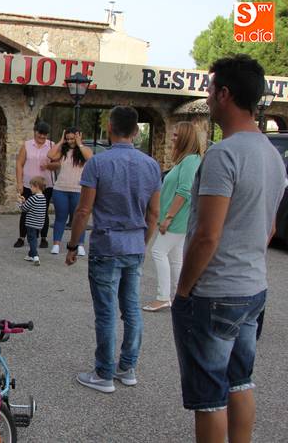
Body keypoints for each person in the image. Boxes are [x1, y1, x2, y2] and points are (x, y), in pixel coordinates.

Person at [172, 55, 286, 443]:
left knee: (209, 399)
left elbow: (208, 235)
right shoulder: (272, 154)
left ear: (224, 94)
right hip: (253, 288)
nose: (206, 98)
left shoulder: (224, 154)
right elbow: (270, 228)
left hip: (215, 293)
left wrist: (183, 290)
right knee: (240, 381)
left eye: (209, 89)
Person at [65, 106, 161, 393]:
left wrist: (73, 245)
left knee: (106, 313)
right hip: (134, 245)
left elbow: (83, 210)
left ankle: (104, 373)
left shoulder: (98, 163)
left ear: (109, 127)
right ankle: (127, 367)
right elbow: (154, 213)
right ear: (136, 131)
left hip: (107, 245)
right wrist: (142, 243)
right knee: (131, 309)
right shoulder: (151, 165)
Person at [143, 122, 202, 312]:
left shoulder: (190, 160)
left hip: (177, 218)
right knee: (176, 258)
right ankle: (180, 296)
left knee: (158, 252)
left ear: (185, 138)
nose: (172, 138)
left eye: (176, 135)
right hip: (178, 217)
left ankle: (163, 297)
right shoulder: (186, 160)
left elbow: (184, 191)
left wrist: (168, 217)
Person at [47, 127, 93, 256]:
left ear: (78, 137)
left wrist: (79, 143)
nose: (70, 141)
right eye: (68, 139)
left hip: (78, 190)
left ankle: (80, 244)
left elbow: (90, 158)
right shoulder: (63, 150)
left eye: (72, 138)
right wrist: (61, 141)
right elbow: (50, 155)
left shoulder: (85, 150)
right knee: (60, 217)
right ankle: (56, 244)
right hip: (60, 189)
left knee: (79, 219)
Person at [13, 122, 59, 249]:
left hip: (45, 185)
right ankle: (22, 237)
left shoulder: (52, 145)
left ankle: (43, 238)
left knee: (43, 211)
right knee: (25, 210)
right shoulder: (27, 145)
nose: (42, 137)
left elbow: (58, 164)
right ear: (35, 132)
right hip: (29, 185)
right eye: (40, 134)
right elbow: (19, 164)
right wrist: (19, 182)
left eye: (45, 135)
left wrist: (48, 166)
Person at [17, 176, 48, 266]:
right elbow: (34, 207)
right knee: (34, 238)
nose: (30, 189)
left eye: (31, 187)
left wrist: (20, 202)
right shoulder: (43, 198)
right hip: (39, 223)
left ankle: (35, 256)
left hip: (31, 223)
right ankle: (30, 255)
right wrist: (25, 201)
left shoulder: (33, 198)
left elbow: (24, 209)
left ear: (36, 186)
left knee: (31, 240)